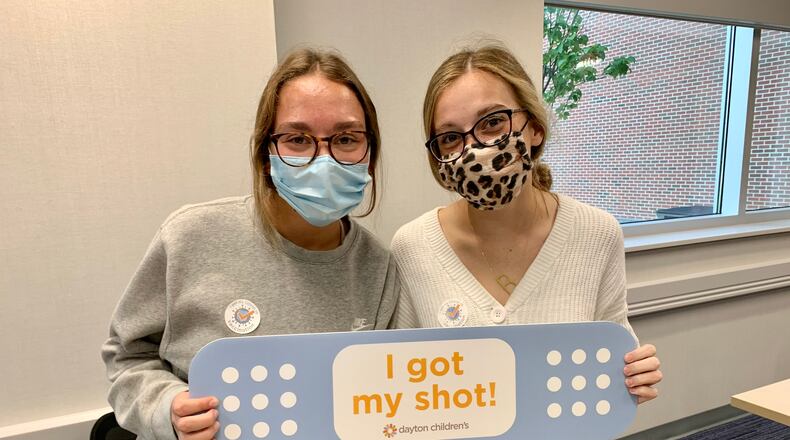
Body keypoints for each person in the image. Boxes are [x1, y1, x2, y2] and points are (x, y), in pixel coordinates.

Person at [102, 48, 399, 440]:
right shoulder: (190, 236)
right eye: (297, 139)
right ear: (265, 154)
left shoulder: (378, 268)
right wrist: (166, 408)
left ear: (370, 155)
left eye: (345, 138)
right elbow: (127, 358)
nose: (323, 159)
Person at [391, 43, 662, 404]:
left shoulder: (597, 233)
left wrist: (630, 378)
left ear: (534, 128)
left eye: (492, 123)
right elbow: (402, 386)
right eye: (451, 137)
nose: (476, 149)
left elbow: (609, 357)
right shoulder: (413, 246)